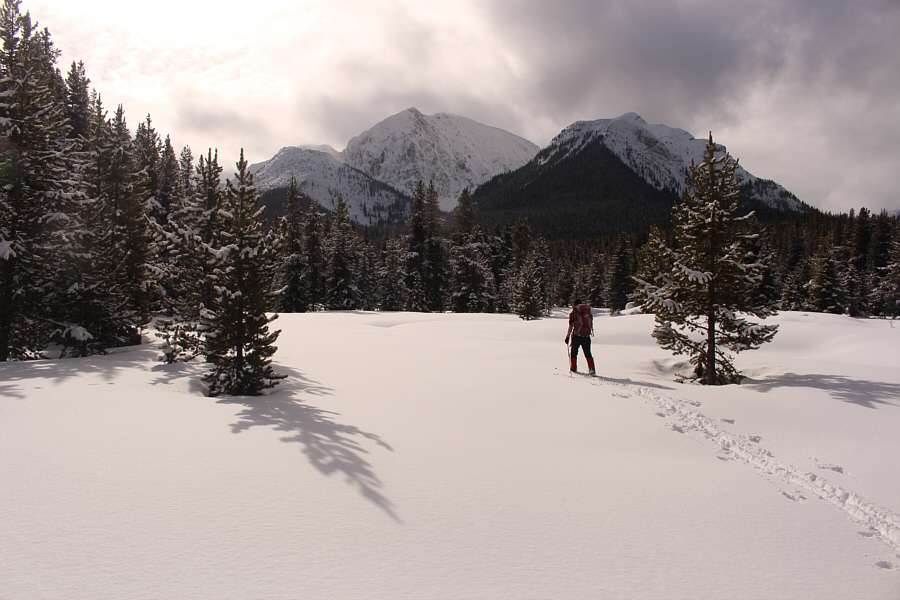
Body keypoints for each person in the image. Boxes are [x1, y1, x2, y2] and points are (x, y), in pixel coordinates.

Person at [565, 298, 595, 375]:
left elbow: (571, 326)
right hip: (586, 336)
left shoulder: (573, 314)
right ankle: (592, 369)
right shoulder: (587, 313)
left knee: (574, 353)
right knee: (588, 353)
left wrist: (567, 336)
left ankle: (573, 368)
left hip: (576, 336)